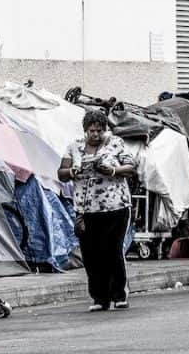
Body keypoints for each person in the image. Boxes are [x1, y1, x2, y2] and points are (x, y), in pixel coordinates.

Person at [59, 111, 137, 312]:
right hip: (86, 209)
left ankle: (119, 294)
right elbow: (62, 172)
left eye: (99, 131)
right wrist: (72, 172)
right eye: (91, 131)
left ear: (105, 130)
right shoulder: (74, 147)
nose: (95, 134)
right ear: (85, 130)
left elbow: (131, 167)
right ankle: (99, 297)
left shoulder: (116, 144)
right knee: (91, 254)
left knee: (112, 250)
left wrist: (112, 170)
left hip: (115, 207)